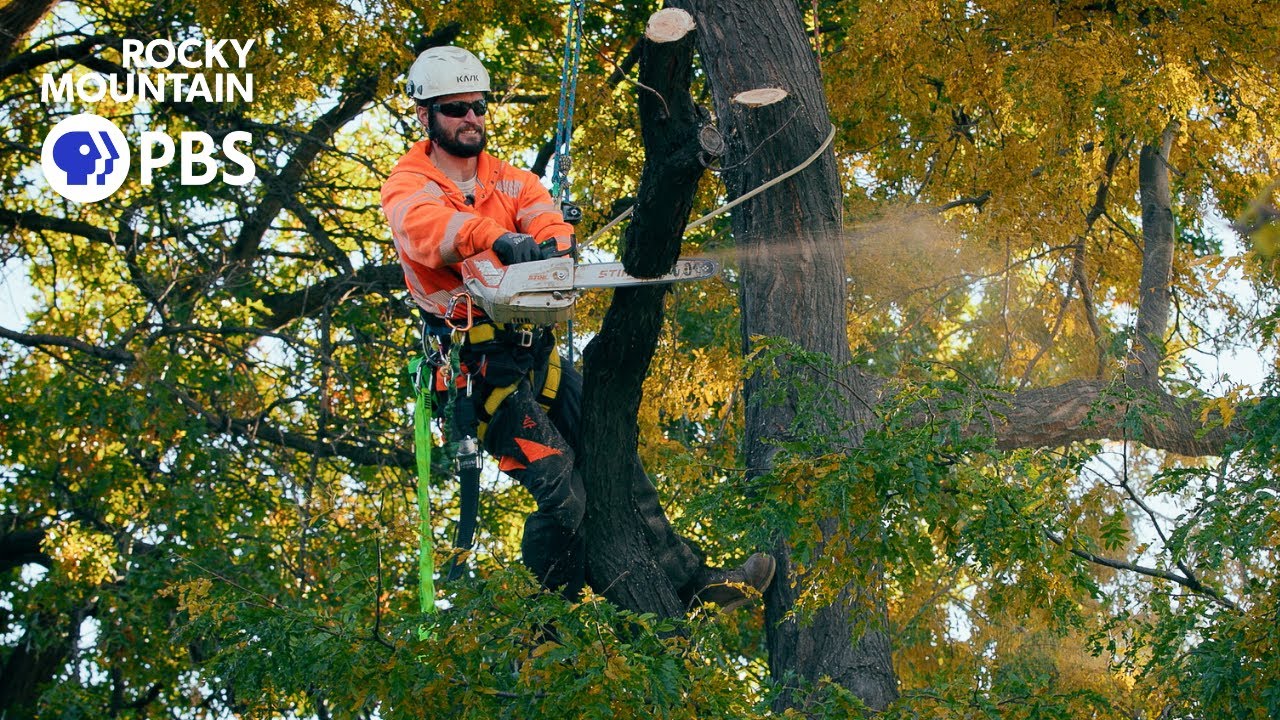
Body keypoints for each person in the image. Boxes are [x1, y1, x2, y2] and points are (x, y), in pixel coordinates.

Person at [382, 45, 774, 608]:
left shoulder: (508, 180)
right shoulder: (408, 184)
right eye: (455, 108)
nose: (471, 117)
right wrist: (495, 239)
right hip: (478, 376)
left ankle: (692, 583)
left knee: (619, 464)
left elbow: (540, 210)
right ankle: (544, 624)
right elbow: (428, 229)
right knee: (565, 494)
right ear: (426, 116)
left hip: (536, 360)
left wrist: (554, 241)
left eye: (478, 106)